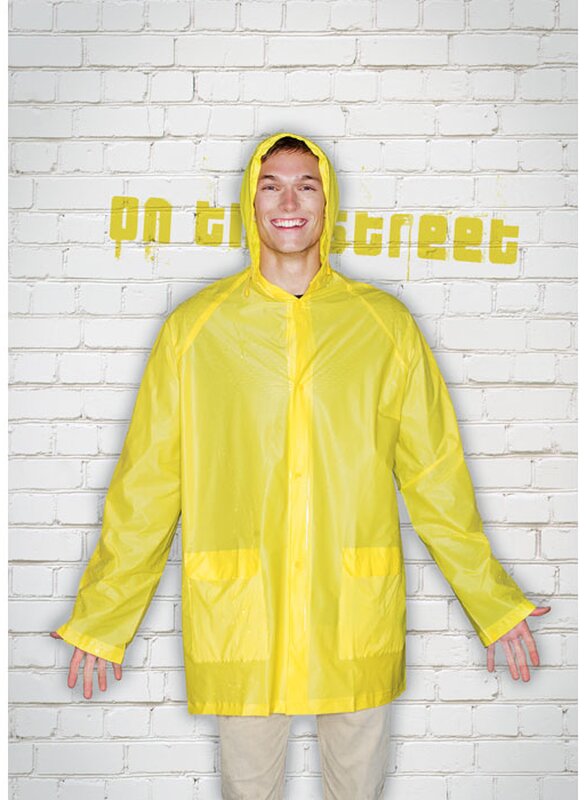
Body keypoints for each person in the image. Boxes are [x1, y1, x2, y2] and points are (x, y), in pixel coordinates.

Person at [52, 132, 550, 799]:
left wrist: (492, 601)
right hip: (242, 611)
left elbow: (436, 478)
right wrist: (103, 617)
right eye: (272, 186)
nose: (289, 203)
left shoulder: (384, 326)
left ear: (328, 200)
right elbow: (149, 482)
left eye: (305, 186)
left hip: (353, 607)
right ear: (249, 201)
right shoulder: (196, 330)